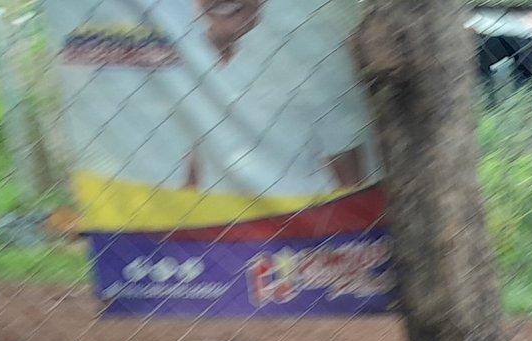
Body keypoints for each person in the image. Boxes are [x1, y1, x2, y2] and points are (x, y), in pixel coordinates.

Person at [51, 0, 374, 227]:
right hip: (215, 233)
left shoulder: (302, 53)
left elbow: (346, 158)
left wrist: (351, 232)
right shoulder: (183, 57)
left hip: (301, 229)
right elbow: (196, 159)